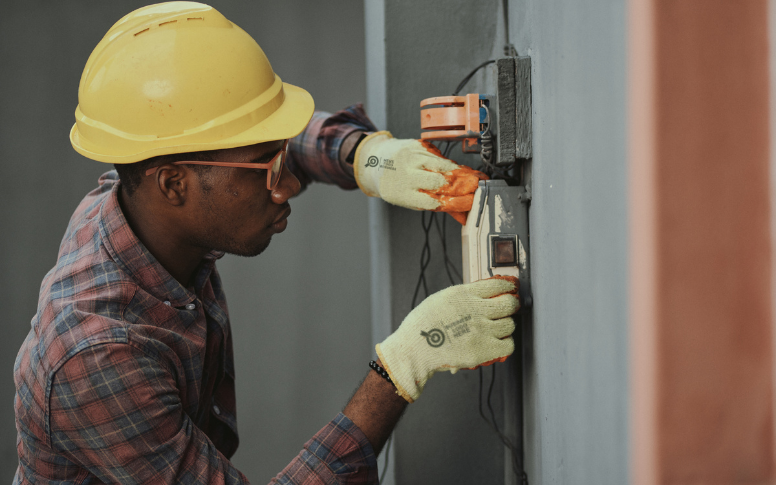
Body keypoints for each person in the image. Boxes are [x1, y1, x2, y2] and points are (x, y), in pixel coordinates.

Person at [13, 3, 519, 484]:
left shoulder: (141, 190)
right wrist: (403, 366)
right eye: (267, 170)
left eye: (279, 160)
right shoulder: (95, 356)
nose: (288, 185)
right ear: (173, 185)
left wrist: (364, 155)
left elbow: (253, 145)